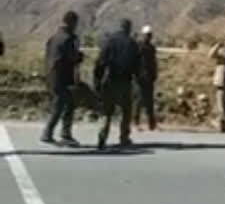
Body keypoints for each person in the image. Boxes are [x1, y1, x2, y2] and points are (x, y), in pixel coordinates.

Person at [94, 19, 141, 150]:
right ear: (129, 28)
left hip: (110, 80)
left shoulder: (110, 41)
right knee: (126, 110)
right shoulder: (132, 43)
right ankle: (124, 137)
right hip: (125, 81)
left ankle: (102, 136)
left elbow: (100, 61)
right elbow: (137, 65)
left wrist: (97, 80)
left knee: (107, 111)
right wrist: (137, 81)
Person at [41, 11, 84, 146]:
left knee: (60, 104)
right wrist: (80, 57)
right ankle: (59, 134)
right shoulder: (68, 39)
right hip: (61, 76)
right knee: (65, 104)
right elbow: (71, 57)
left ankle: (51, 133)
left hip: (52, 75)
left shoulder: (54, 37)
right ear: (72, 22)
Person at [134, 25, 158, 131]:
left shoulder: (151, 47)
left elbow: (153, 62)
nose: (148, 37)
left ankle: (151, 123)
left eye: (149, 35)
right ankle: (136, 121)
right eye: (147, 35)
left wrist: (154, 73)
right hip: (140, 76)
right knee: (139, 100)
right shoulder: (139, 46)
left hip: (149, 76)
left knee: (149, 101)